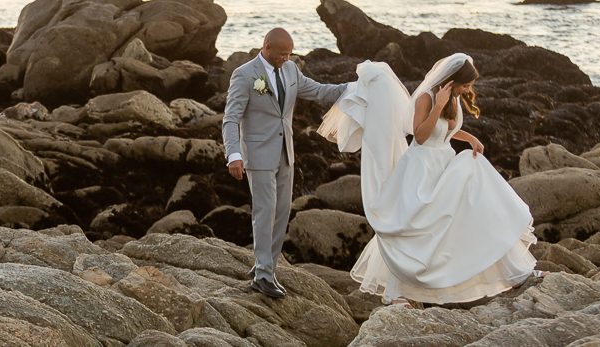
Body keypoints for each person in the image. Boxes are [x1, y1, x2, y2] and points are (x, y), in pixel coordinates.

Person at [317, 53, 537, 307]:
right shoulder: (426, 98)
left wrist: (469, 139)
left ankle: (517, 272)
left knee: (478, 207)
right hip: (421, 169)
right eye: (465, 85)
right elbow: (420, 135)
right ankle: (396, 292)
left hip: (444, 162)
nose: (468, 90)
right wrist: (438, 104)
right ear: (451, 80)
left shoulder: (453, 98)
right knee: (410, 230)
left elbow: (447, 129)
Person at [222, 27, 348, 298]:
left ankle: (266, 268)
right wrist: (234, 155)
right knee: (264, 213)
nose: (286, 59)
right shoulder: (244, 75)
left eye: (289, 54)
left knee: (281, 214)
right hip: (257, 155)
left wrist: (352, 89)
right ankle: (263, 275)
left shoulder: (291, 70)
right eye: (282, 54)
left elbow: (317, 91)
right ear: (266, 47)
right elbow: (231, 118)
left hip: (286, 153)